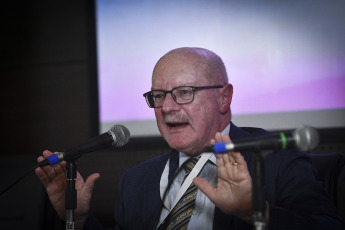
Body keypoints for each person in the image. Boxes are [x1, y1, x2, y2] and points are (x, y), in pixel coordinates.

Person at [35, 47, 345, 230]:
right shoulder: (136, 181)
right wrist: (77, 217)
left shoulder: (275, 158)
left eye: (184, 93)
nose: (167, 107)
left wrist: (256, 213)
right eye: (158, 95)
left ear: (224, 98)